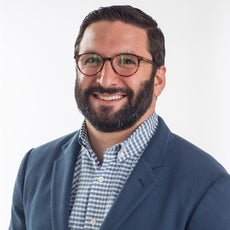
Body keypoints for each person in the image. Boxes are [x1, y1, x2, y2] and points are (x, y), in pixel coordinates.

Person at [9, 5, 230, 230]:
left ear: (158, 80)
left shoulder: (208, 185)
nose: (106, 80)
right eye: (92, 59)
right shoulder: (34, 167)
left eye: (127, 61)